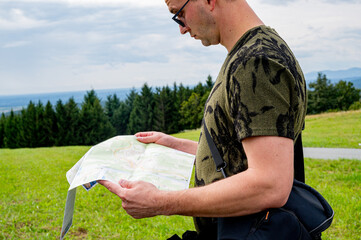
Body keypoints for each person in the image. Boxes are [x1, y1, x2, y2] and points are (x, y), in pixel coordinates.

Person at [99, 0, 307, 238]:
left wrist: (159, 202)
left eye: (179, 13)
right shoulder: (258, 48)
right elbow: (244, 155)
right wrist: (176, 146)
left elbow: (270, 185)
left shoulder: (256, 62)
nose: (182, 28)